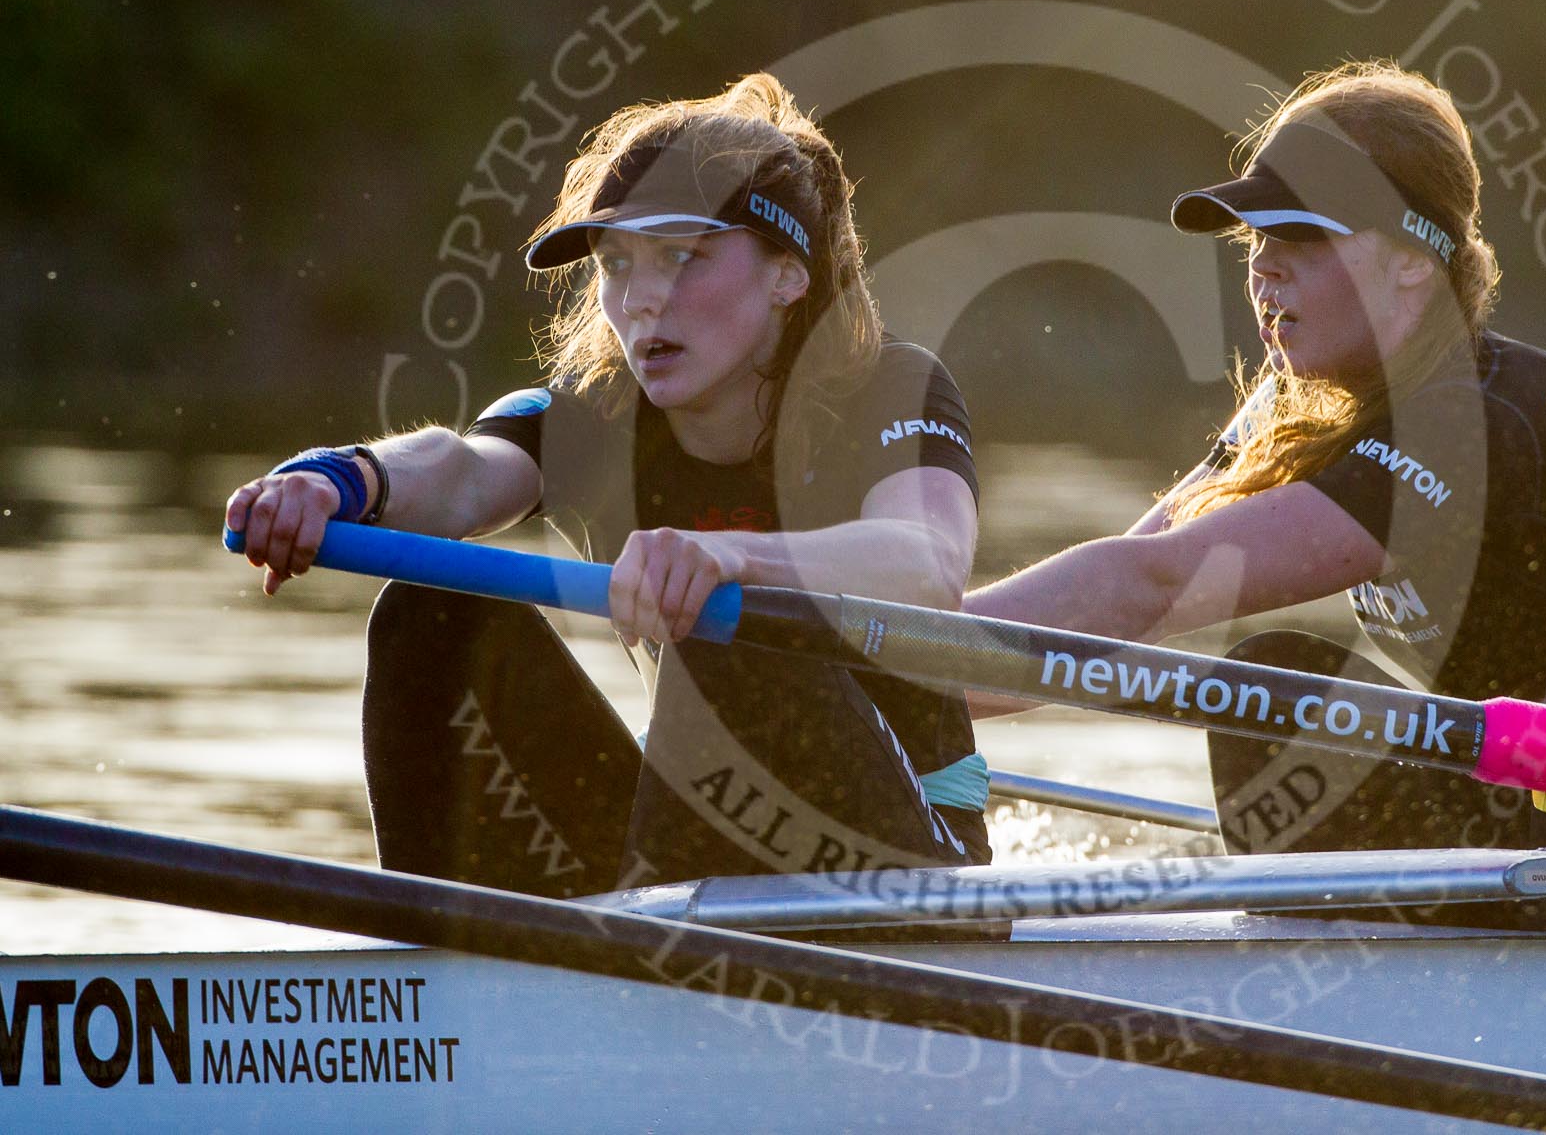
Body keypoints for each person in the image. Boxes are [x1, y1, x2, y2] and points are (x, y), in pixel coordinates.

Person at [966, 60, 1546, 936]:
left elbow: (1157, 583)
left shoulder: (1472, 425)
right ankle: (1349, 993)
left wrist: (887, 650)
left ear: (1414, 258)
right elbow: (1108, 612)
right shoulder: (1302, 407)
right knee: (1270, 688)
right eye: (1257, 239)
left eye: (1299, 237)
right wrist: (912, 672)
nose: (1262, 267)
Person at [227, 73, 990, 899]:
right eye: (618, 263)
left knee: (733, 626)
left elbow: (928, 560)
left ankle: (650, 984)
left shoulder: (892, 386)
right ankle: (449, 982)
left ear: (787, 275)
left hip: (905, 856)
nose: (643, 299)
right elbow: (463, 474)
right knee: (427, 610)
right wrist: (339, 479)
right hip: (702, 851)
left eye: (683, 258)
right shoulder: (595, 411)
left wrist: (729, 556)